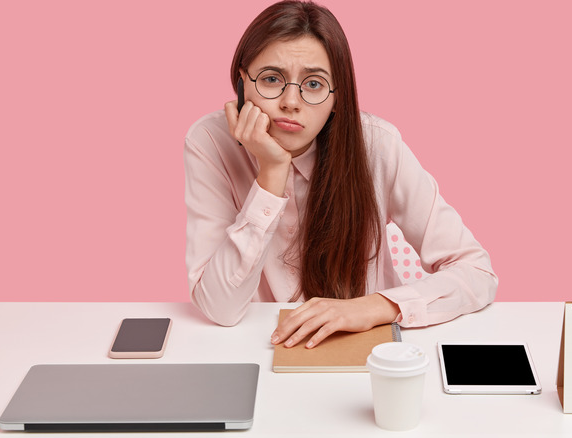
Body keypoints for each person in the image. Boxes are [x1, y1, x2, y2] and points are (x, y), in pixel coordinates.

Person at [184, 0, 497, 349]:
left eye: (314, 84)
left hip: (367, 350)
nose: (291, 101)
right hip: (259, 348)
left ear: (337, 97)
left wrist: (378, 305)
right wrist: (271, 173)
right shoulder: (210, 142)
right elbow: (219, 307)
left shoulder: (378, 145)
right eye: (272, 79)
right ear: (242, 82)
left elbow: (476, 272)